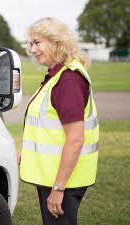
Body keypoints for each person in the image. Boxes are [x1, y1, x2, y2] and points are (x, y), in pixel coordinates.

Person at [18, 17, 99, 225]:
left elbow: (75, 139)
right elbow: (48, 127)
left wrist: (58, 188)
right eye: (31, 43)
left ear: (57, 42)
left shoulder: (68, 80)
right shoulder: (57, 75)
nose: (32, 49)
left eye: (37, 43)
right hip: (55, 176)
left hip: (63, 181)